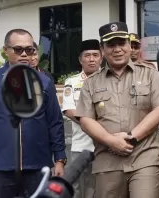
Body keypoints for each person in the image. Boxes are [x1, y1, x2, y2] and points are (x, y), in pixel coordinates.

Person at [0, 29, 67, 198]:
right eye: (18, 49)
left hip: (37, 165)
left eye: (29, 50)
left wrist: (59, 159)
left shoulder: (44, 82)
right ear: (5, 50)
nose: (24, 54)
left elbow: (54, 121)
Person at [76, 22, 159, 198]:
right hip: (107, 161)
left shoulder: (149, 74)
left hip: (144, 157)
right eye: (111, 45)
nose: (117, 49)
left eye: (121, 43)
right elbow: (86, 121)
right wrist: (111, 141)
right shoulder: (91, 83)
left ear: (128, 45)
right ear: (102, 50)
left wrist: (131, 138)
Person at [61, 39, 103, 198]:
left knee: (100, 189)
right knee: (77, 190)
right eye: (87, 55)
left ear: (101, 57)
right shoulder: (72, 82)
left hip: (105, 146)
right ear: (80, 59)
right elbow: (68, 110)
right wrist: (93, 125)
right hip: (81, 146)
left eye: (95, 55)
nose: (91, 59)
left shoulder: (110, 80)